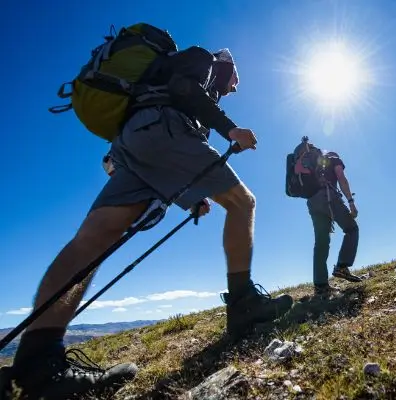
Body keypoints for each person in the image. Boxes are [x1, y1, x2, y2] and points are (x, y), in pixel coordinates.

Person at [0, 43, 294, 399]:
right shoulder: (203, 61)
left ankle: (37, 364)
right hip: (162, 128)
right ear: (226, 66)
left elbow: (173, 153)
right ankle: (244, 304)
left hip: (133, 141)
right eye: (236, 79)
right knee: (242, 202)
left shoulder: (160, 77)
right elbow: (184, 91)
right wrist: (230, 129)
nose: (235, 87)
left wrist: (192, 199)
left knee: (93, 239)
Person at [291, 137, 362, 298]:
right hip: (328, 196)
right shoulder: (333, 158)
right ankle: (342, 266)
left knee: (321, 242)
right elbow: (341, 178)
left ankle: (321, 286)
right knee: (352, 229)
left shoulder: (305, 161)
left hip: (312, 202)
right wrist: (351, 202)